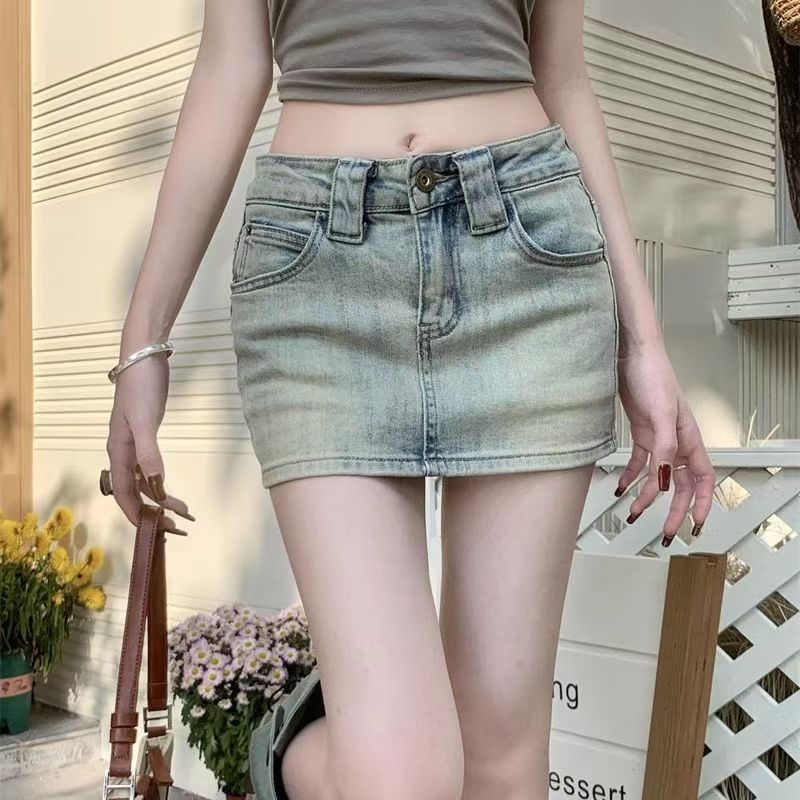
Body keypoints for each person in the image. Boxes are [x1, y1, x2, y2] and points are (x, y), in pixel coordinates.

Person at [104, 1, 715, 798]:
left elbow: (562, 75)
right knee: (402, 776)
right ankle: (292, 750)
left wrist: (645, 342)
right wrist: (144, 342)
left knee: (500, 755)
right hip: (318, 273)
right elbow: (230, 65)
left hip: (528, 258)